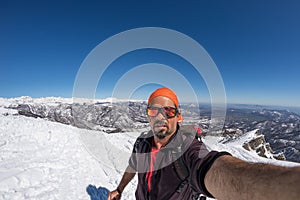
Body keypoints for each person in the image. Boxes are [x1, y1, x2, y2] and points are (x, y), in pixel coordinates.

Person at [108, 87, 300, 200]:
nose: (160, 117)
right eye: (153, 111)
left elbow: (213, 168)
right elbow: (133, 166)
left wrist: (283, 187)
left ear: (179, 117)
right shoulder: (142, 143)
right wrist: (120, 189)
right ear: (147, 115)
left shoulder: (189, 150)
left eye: (168, 111)